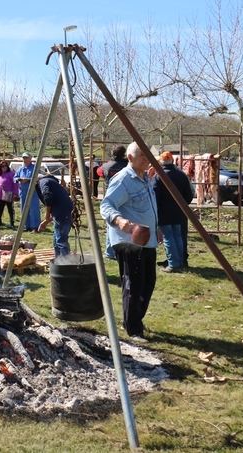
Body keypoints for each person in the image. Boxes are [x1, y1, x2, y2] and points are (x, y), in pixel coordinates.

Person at [100, 142, 159, 343]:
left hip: (147, 240)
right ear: (130, 158)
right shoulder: (123, 179)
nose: (146, 158)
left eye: (148, 155)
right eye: (142, 154)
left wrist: (156, 227)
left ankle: (134, 319)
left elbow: (149, 207)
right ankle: (133, 328)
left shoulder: (145, 179)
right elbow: (106, 205)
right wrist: (120, 221)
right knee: (134, 284)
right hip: (129, 241)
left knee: (148, 282)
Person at [153, 151, 194, 272]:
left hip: (163, 213)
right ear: (172, 161)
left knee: (168, 237)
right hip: (179, 212)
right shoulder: (182, 175)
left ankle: (173, 264)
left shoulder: (158, 176)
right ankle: (181, 262)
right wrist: (182, 205)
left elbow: (154, 196)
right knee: (178, 236)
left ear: (161, 161)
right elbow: (189, 195)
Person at [36, 175, 74, 256]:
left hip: (63, 213)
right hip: (63, 211)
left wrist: (47, 215)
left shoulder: (43, 182)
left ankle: (65, 262)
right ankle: (58, 260)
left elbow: (48, 198)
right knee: (56, 239)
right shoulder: (51, 182)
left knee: (61, 240)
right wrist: (46, 221)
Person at [13, 152, 41, 232]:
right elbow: (14, 178)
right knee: (24, 209)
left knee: (33, 208)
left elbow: (39, 177)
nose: (25, 160)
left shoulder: (35, 168)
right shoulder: (21, 169)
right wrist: (19, 179)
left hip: (33, 191)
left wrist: (28, 180)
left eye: (26, 158)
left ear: (30, 158)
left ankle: (35, 227)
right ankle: (26, 226)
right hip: (23, 191)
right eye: (24, 158)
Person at [0, 160, 17, 228]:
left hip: (8, 194)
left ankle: (12, 223)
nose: (4, 167)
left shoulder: (11, 174)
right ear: (0, 167)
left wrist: (15, 193)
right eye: (2, 166)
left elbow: (15, 184)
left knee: (10, 209)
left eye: (5, 165)